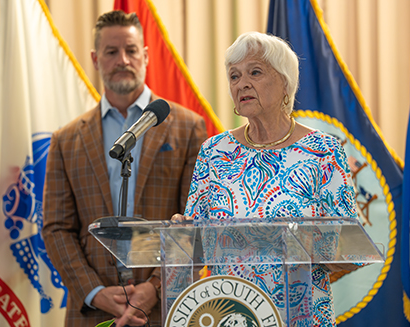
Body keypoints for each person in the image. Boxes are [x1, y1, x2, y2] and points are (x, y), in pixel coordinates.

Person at [176, 32, 358, 326]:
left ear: (285, 82)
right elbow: (194, 249)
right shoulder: (214, 152)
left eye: (255, 72)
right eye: (234, 76)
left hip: (300, 316)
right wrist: (181, 234)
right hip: (231, 314)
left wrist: (300, 241)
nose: (241, 84)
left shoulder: (322, 151)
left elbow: (349, 250)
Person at [42, 10, 208, 327]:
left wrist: (154, 288)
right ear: (95, 59)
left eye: (131, 50)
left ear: (145, 55)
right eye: (111, 51)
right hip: (91, 312)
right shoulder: (66, 140)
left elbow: (195, 223)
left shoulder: (188, 127)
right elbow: (56, 228)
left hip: (165, 310)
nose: (122, 59)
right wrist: (95, 291)